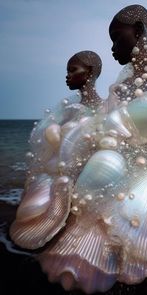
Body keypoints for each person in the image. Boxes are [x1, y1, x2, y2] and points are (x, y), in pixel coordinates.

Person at [11, 6, 147, 295]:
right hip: (116, 173)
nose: (113, 48)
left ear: (139, 31)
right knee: (83, 238)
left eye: (117, 37)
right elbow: (104, 132)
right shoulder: (121, 87)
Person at [10, 50, 103, 250]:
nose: (67, 76)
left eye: (73, 70)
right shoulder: (71, 109)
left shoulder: (103, 108)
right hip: (62, 178)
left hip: (88, 182)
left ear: (89, 72)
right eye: (67, 71)